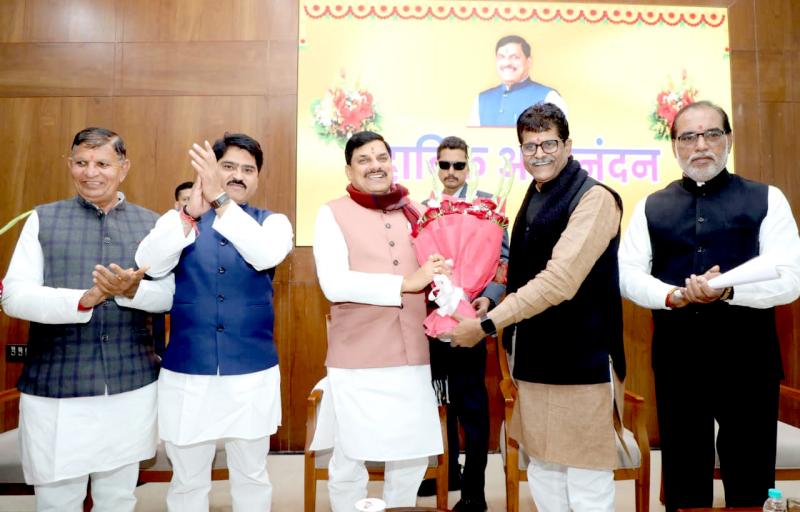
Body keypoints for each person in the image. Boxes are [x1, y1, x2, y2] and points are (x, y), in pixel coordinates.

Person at [619, 100, 800, 511]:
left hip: (750, 364)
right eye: (688, 137)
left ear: (728, 140)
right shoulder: (651, 207)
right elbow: (627, 274)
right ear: (675, 146)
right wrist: (673, 295)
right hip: (679, 364)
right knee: (684, 482)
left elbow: (790, 279)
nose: (700, 145)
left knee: (751, 482)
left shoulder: (767, 199)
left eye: (711, 134)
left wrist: (728, 291)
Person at [449, 103, 625, 512]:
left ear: (568, 145)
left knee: (585, 478)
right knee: (544, 471)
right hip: (533, 362)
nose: (539, 154)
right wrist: (492, 297)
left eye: (549, 144)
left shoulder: (595, 198)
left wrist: (487, 324)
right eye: (530, 146)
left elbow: (559, 280)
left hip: (582, 366)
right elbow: (523, 271)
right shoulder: (536, 193)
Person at [1, 127, 174, 512]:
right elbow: (14, 295)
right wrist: (84, 299)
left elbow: (169, 296)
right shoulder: (43, 219)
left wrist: (131, 291)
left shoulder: (153, 225)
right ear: (69, 165)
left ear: (124, 168)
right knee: (57, 499)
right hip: (57, 387)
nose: (90, 172)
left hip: (129, 386)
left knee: (118, 498)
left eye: (102, 163)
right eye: (81, 162)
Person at [135, 132, 293, 511]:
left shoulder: (273, 223)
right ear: (210, 171)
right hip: (189, 370)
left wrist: (220, 200)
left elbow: (264, 255)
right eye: (228, 167)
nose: (238, 175)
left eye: (247, 170)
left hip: (251, 371)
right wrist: (190, 215)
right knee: (188, 480)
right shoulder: (179, 219)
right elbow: (148, 264)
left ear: (257, 178)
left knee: (251, 475)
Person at [312, 131, 449, 511]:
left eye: (381, 157)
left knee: (411, 454)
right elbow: (334, 284)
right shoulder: (332, 213)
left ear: (392, 163)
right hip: (357, 358)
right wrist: (406, 284)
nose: (375, 166)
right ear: (349, 170)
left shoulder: (416, 211)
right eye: (364, 159)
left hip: (413, 353)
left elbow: (436, 268)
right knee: (350, 455)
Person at [416, 136, 508, 512]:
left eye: (458, 165)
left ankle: (474, 491)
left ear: (468, 167)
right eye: (445, 165)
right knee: (441, 400)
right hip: (434, 319)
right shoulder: (425, 208)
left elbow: (503, 259)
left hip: (470, 320)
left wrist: (490, 297)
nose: (451, 172)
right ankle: (448, 471)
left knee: (471, 403)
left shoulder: (488, 205)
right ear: (436, 167)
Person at [468, 35, 567, 127]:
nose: (507, 63)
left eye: (515, 57)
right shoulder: (481, 100)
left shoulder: (549, 97)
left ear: (529, 62)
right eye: (501, 57)